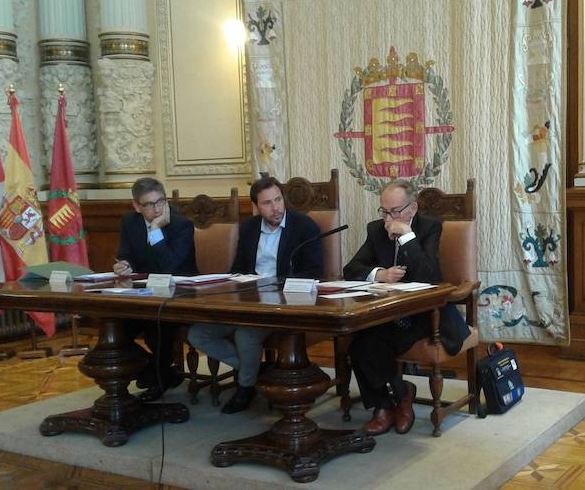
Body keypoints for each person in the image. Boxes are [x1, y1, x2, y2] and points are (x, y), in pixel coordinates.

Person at [344, 179, 471, 436]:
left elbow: (430, 274)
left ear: (412, 209)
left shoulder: (429, 228)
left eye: (395, 211)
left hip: (425, 313)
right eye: (383, 211)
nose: (388, 218)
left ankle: (394, 400)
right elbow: (351, 269)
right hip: (388, 312)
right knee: (359, 343)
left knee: (375, 342)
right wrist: (379, 274)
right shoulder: (376, 230)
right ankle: (391, 402)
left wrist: (407, 237)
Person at [188, 176, 323, 414]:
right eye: (267, 203)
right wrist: (232, 285)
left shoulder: (305, 227)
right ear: (256, 207)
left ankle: (246, 387)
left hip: (280, 305)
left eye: (278, 200)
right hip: (247, 301)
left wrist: (277, 286)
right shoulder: (249, 228)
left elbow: (313, 272)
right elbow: (238, 268)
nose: (276, 207)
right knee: (198, 333)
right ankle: (257, 372)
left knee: (245, 334)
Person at [114, 177, 198, 402]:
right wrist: (123, 265)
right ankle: (159, 371)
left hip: (179, 295)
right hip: (143, 294)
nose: (157, 208)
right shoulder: (129, 222)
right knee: (116, 331)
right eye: (149, 204)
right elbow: (126, 255)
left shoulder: (182, 225)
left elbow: (170, 266)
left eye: (160, 201)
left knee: (156, 329)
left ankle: (161, 378)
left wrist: (154, 228)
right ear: (136, 206)